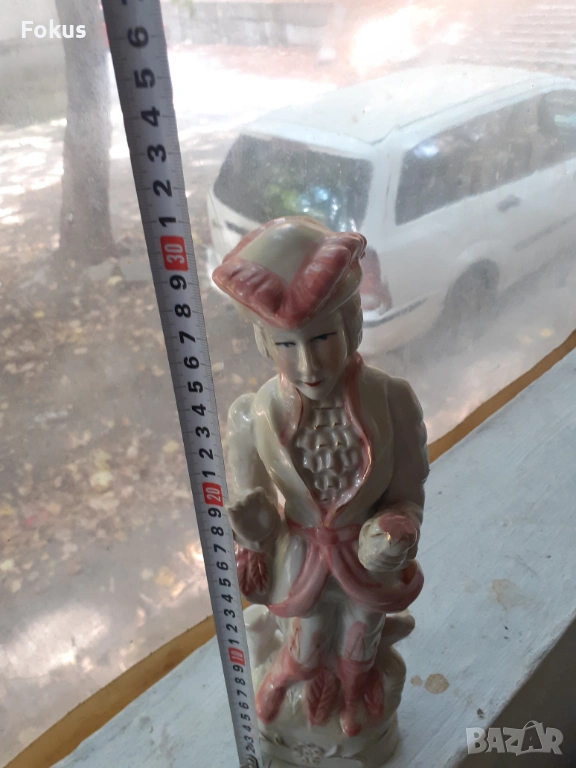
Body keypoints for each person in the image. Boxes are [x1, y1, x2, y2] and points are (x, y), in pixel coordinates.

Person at [213, 216, 428, 739]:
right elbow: (252, 515)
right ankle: (282, 680)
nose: (308, 363)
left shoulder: (392, 401)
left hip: (365, 558)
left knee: (361, 640)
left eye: (323, 337)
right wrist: (255, 528)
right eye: (286, 345)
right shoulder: (252, 417)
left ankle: (354, 697)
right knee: (306, 645)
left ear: (352, 324)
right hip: (302, 558)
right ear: (265, 343)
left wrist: (396, 530)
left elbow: (407, 493)